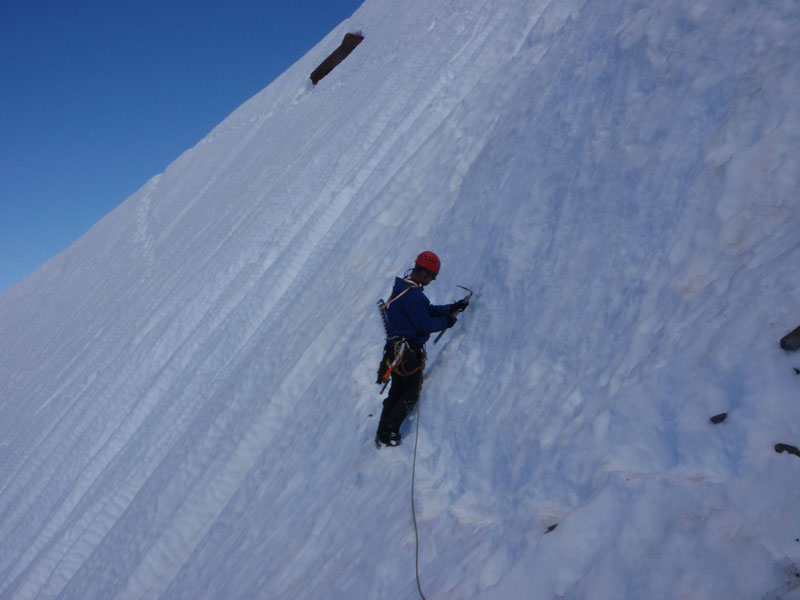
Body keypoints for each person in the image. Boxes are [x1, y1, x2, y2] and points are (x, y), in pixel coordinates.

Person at [375, 251, 469, 447]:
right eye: (432, 276)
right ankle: (390, 432)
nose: (432, 280)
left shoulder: (404, 289)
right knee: (409, 394)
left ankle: (383, 432)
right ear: (424, 272)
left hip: (397, 351)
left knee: (397, 391)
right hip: (408, 353)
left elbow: (426, 310)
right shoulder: (413, 295)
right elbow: (423, 324)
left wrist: (451, 308)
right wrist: (447, 321)